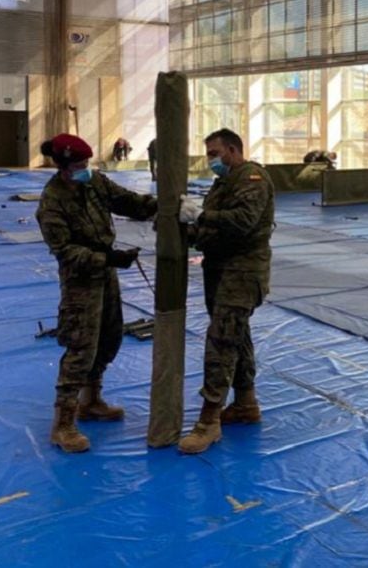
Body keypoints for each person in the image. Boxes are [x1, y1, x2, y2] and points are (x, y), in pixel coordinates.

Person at [36, 133, 158, 454]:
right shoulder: (52, 202)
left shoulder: (96, 183)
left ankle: (92, 401)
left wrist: (165, 206)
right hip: (80, 280)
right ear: (63, 168)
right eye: (78, 165)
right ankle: (63, 424)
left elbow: (127, 201)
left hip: (106, 274)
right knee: (80, 347)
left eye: (87, 164)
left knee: (109, 336)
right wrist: (109, 258)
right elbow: (65, 252)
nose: (85, 169)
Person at [177, 128, 275, 455]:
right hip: (220, 271)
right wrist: (189, 232)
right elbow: (213, 229)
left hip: (242, 273)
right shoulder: (224, 182)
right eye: (208, 154)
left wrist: (202, 215)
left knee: (220, 341)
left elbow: (242, 222)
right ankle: (246, 403)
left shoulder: (252, 179)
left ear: (233, 150)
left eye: (214, 154)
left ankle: (209, 421)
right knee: (237, 335)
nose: (211, 161)